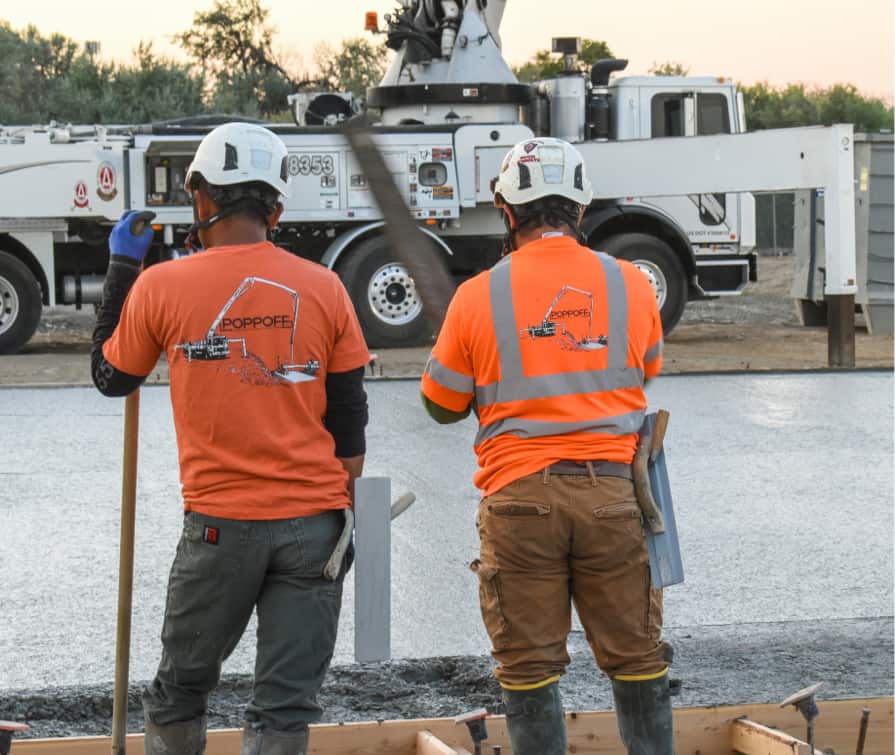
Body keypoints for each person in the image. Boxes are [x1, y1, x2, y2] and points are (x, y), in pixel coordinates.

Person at [91, 122, 370, 755]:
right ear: (275, 207)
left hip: (220, 529)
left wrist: (122, 269)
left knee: (181, 693)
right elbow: (349, 422)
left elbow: (111, 376)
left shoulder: (163, 287)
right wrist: (342, 515)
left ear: (200, 198)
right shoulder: (325, 288)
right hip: (315, 528)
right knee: (282, 712)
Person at [420, 137, 672, 755]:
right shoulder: (633, 286)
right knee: (637, 655)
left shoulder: (478, 294)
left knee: (529, 667)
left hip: (518, 499)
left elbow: (441, 406)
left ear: (507, 211)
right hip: (614, 496)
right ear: (580, 211)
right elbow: (645, 373)